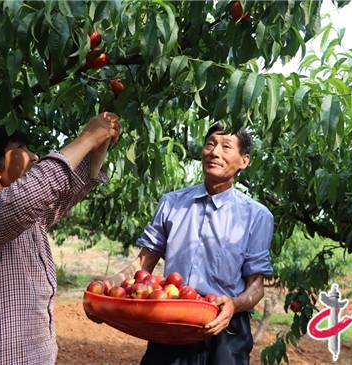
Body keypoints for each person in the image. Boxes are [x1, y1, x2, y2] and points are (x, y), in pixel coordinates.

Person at [0, 112, 121, 364]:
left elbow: (67, 188)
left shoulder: (28, 221)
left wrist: (98, 145)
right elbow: (29, 194)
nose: (34, 156)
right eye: (20, 148)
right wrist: (86, 138)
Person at [104, 123, 274, 365]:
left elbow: (256, 285)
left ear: (244, 161)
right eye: (210, 144)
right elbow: (143, 264)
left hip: (225, 326)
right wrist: (108, 288)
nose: (215, 152)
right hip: (173, 319)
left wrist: (234, 305)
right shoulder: (171, 204)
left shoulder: (257, 216)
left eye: (226, 147)